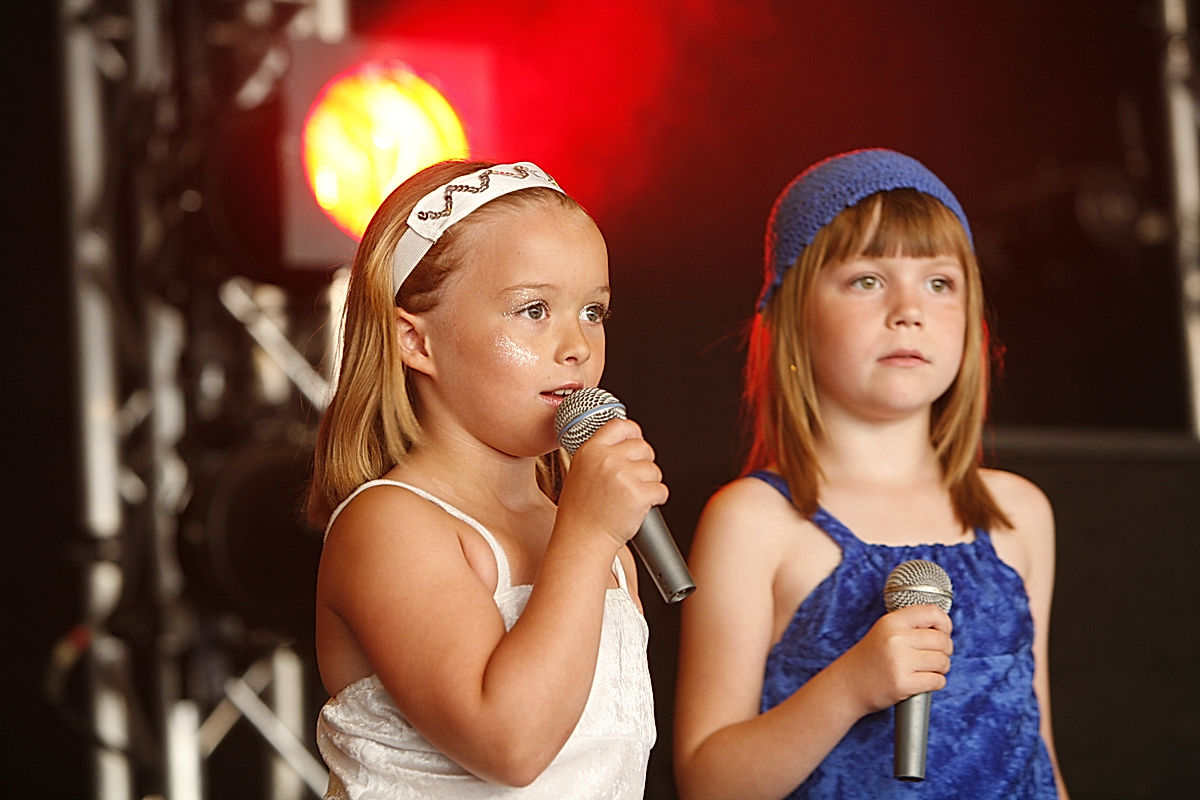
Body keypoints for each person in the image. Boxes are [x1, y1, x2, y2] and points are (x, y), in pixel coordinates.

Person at [673, 148, 1069, 799]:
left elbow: (1039, 753)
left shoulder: (1018, 515)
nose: (908, 309)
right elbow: (708, 781)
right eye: (867, 279)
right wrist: (850, 686)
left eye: (940, 283)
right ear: (795, 315)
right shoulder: (755, 522)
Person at [307, 160, 663, 799]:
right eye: (533, 309)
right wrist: (585, 535)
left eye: (593, 311)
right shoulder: (390, 526)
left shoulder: (598, 544)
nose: (577, 345)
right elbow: (511, 745)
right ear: (417, 343)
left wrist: (587, 534)